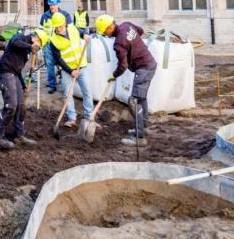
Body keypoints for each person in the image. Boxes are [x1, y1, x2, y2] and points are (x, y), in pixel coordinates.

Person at [95, 15, 157, 147]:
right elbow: (140, 31)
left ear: (110, 27)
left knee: (134, 101)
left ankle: (140, 137)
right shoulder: (126, 25)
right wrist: (133, 45)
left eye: (104, 32)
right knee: (141, 98)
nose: (105, 35)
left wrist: (114, 75)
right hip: (150, 64)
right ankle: (143, 127)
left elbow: (122, 66)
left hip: (143, 68)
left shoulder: (118, 44)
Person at [0, 28, 42, 149]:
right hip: (5, 73)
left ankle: (19, 134)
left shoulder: (27, 50)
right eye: (40, 44)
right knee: (11, 106)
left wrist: (23, 84)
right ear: (35, 38)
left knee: (21, 105)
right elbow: (15, 42)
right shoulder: (20, 37)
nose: (39, 47)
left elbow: (18, 69)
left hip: (14, 74)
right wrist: (30, 47)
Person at [47, 12, 92, 129]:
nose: (58, 28)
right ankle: (72, 118)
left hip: (81, 66)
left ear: (65, 23)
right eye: (56, 26)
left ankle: (89, 117)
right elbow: (58, 59)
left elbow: (83, 32)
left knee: (87, 92)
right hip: (67, 70)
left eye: (60, 26)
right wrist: (70, 71)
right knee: (67, 95)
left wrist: (86, 35)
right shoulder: (54, 40)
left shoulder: (73, 29)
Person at [39, 0, 73, 94]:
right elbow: (41, 30)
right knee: (49, 65)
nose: (52, 7)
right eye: (50, 5)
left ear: (58, 4)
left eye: (54, 5)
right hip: (48, 45)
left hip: (61, 44)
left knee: (62, 64)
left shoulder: (65, 15)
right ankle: (52, 85)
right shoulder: (44, 16)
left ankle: (65, 84)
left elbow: (70, 30)